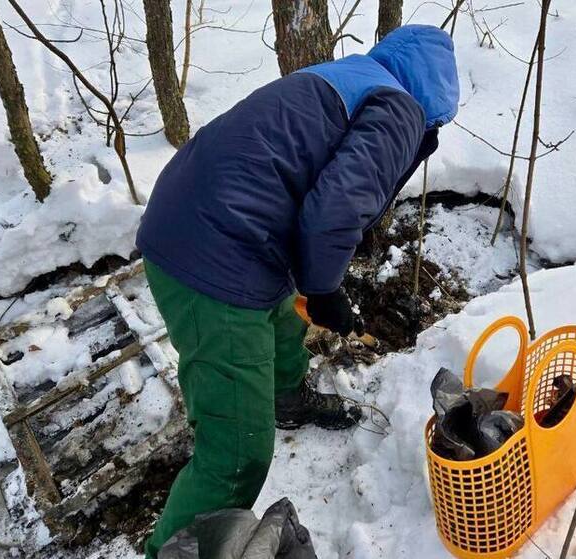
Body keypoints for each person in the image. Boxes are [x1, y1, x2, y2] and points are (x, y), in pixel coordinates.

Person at [136, 24, 459, 558]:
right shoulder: (401, 109)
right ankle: (176, 551)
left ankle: (287, 394)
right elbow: (333, 212)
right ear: (436, 99)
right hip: (212, 257)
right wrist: (326, 289)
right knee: (238, 451)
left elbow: (299, 173)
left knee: (285, 313)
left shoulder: (353, 76)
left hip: (199, 211)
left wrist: (313, 285)